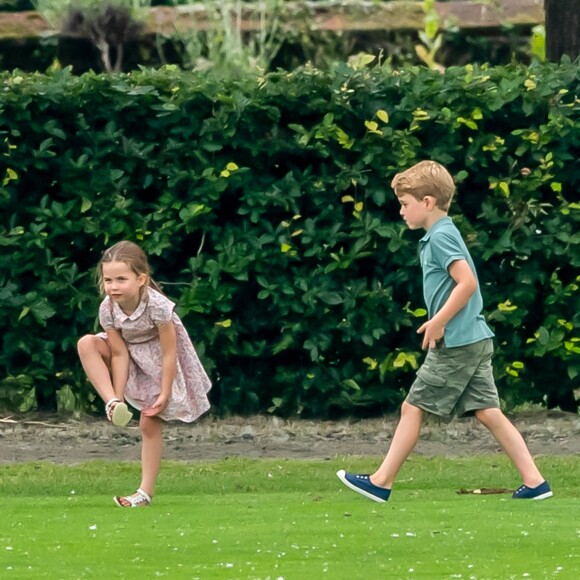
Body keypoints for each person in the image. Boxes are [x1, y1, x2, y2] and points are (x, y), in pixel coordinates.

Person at [337, 160, 552, 502]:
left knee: (413, 407)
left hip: (457, 342)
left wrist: (438, 322)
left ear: (428, 202)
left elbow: (467, 283)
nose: (401, 210)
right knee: (488, 412)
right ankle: (535, 481)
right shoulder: (441, 233)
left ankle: (381, 482)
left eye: (405, 204)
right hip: (475, 337)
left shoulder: (440, 237)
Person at [77, 240, 211, 507]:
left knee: (148, 423)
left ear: (141, 279)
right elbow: (119, 353)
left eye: (121, 279)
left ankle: (144, 494)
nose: (113, 286)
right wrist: (118, 397)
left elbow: (169, 353)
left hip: (159, 362)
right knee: (86, 342)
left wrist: (164, 392)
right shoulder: (108, 307)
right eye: (108, 280)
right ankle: (111, 403)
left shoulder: (158, 306)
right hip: (127, 355)